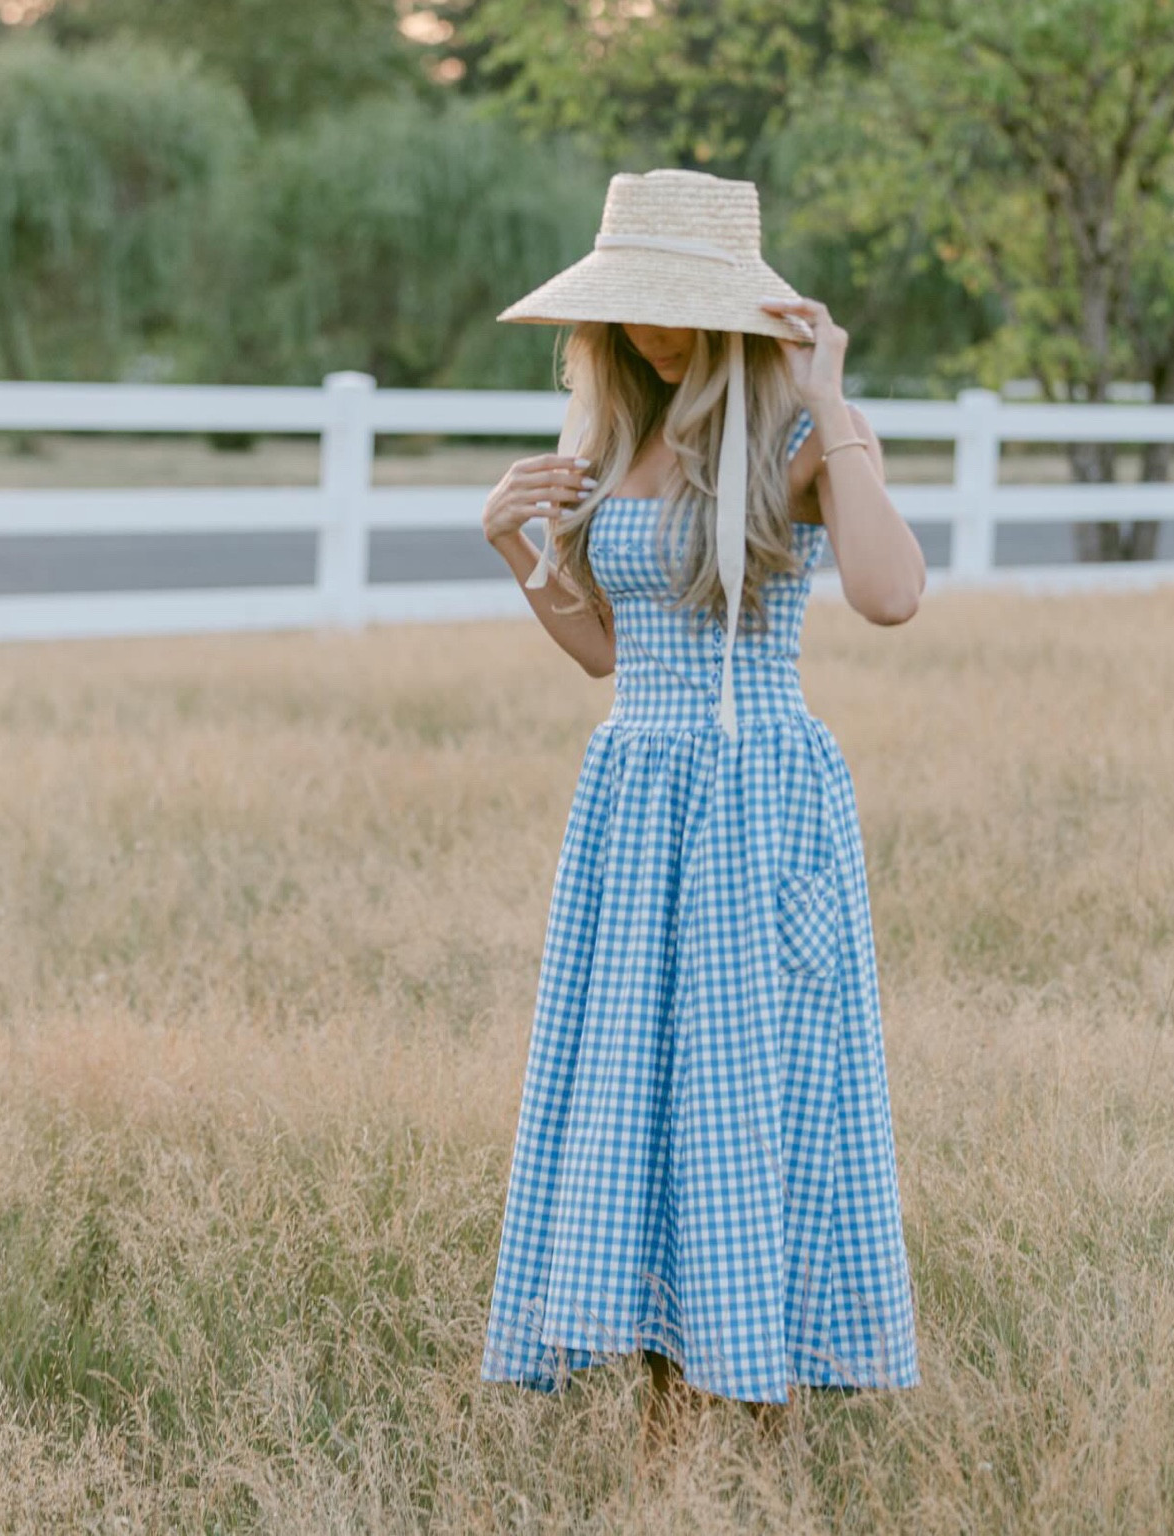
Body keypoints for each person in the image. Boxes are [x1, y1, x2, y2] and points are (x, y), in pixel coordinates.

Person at [477, 168, 924, 1439]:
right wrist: (515, 545)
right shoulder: (613, 434)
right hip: (635, 793)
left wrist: (832, 396)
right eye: (635, 305)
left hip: (753, 793)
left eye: (678, 304)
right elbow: (612, 654)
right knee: (647, 1092)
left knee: (745, 1097)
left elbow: (891, 594)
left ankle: (742, 1418)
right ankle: (682, 1425)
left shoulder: (793, 435)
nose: (655, 329)